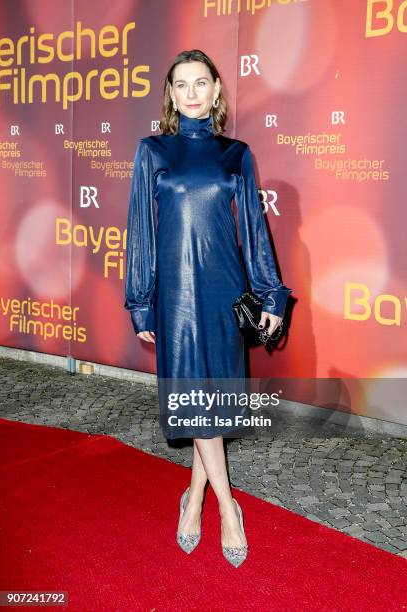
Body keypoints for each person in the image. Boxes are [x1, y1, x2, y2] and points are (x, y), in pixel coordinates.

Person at [124, 49, 292, 567]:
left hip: (223, 293)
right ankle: (227, 506)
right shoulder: (152, 151)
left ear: (217, 90)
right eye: (182, 85)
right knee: (197, 403)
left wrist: (271, 293)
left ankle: (194, 497)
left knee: (210, 405)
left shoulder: (236, 155)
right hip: (175, 298)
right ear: (171, 95)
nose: (193, 92)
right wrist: (141, 302)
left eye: (202, 83)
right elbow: (140, 235)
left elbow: (254, 234)